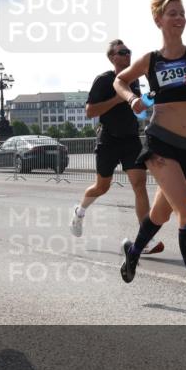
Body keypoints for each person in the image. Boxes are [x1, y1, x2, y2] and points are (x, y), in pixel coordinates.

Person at [114, 0, 186, 321]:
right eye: (172, 14)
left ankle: (133, 252)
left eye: (182, 13)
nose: (179, 18)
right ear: (158, 21)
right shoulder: (151, 60)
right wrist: (131, 100)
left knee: (159, 215)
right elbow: (121, 81)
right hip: (161, 143)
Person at [69, 39, 162, 254]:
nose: (127, 55)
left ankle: (146, 238)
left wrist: (145, 101)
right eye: (122, 52)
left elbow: (138, 109)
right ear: (112, 57)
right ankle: (80, 211)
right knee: (102, 187)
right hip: (109, 139)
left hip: (131, 139)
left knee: (139, 184)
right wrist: (117, 100)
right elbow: (90, 111)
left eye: (129, 51)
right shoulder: (105, 80)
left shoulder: (135, 80)